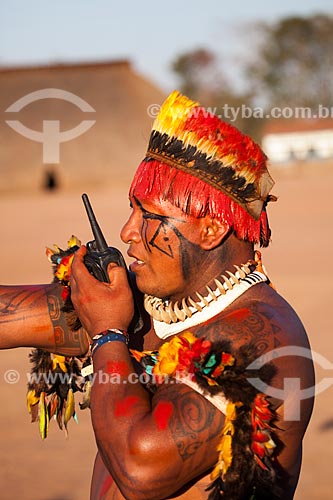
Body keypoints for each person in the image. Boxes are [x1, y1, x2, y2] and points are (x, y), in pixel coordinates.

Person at [0, 91, 314, 499]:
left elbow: (140, 469)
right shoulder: (142, 302)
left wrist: (108, 335)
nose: (128, 232)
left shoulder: (263, 341)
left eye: (149, 215)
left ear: (211, 228)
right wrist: (104, 317)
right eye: (132, 209)